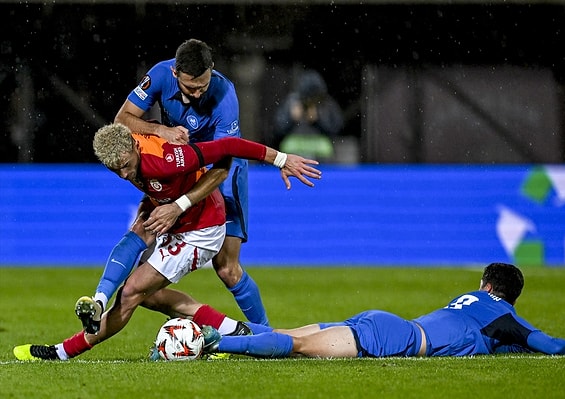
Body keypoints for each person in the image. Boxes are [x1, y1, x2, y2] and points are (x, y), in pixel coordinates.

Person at [13, 122, 321, 361]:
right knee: (147, 286)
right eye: (114, 169)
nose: (122, 175)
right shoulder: (124, 151)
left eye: (125, 165)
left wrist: (281, 159)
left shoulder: (168, 160)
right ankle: (101, 301)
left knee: (133, 290)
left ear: (134, 146)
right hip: (174, 217)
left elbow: (229, 146)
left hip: (202, 229)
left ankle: (63, 352)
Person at [106, 38, 270, 328]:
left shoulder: (225, 96)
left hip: (222, 167)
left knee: (227, 268)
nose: (196, 93)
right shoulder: (159, 74)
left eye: (202, 86)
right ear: (174, 74)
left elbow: (222, 165)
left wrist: (179, 206)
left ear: (212, 70)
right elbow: (122, 119)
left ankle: (267, 333)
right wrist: (160, 130)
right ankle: (220, 327)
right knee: (142, 276)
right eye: (189, 87)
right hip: (177, 168)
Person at [198, 262, 565, 359]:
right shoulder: (500, 315)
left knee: (289, 331)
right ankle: (212, 343)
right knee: (299, 345)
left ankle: (213, 330)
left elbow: (510, 346)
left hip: (386, 325)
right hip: (393, 339)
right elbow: (540, 340)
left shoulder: (480, 312)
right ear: (505, 295)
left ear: (486, 285)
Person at [273, 69, 344, 161]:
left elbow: (337, 129)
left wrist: (318, 121)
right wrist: (291, 119)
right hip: (293, 155)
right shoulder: (291, 102)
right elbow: (277, 130)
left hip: (322, 158)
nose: (310, 101)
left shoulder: (327, 103)